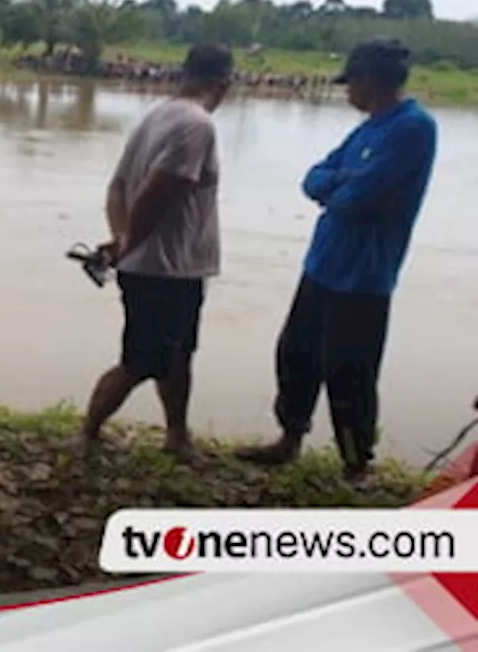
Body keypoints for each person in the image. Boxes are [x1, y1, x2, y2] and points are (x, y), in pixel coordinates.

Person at [236, 39, 438, 483]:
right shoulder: (369, 128)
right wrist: (341, 182)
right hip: (322, 263)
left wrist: (340, 184)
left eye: (352, 84)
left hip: (364, 276)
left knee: (350, 370)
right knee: (296, 353)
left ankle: (357, 462)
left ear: (370, 81)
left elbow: (355, 198)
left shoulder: (413, 129)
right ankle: (289, 438)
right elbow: (313, 178)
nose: (348, 93)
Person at [79, 44, 235, 461]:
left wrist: (119, 239)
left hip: (173, 268)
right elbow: (159, 191)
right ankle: (88, 434)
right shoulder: (198, 125)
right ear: (224, 84)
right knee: (140, 362)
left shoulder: (158, 114)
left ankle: (177, 437)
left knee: (179, 354)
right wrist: (127, 244)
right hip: (161, 271)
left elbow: (117, 187)